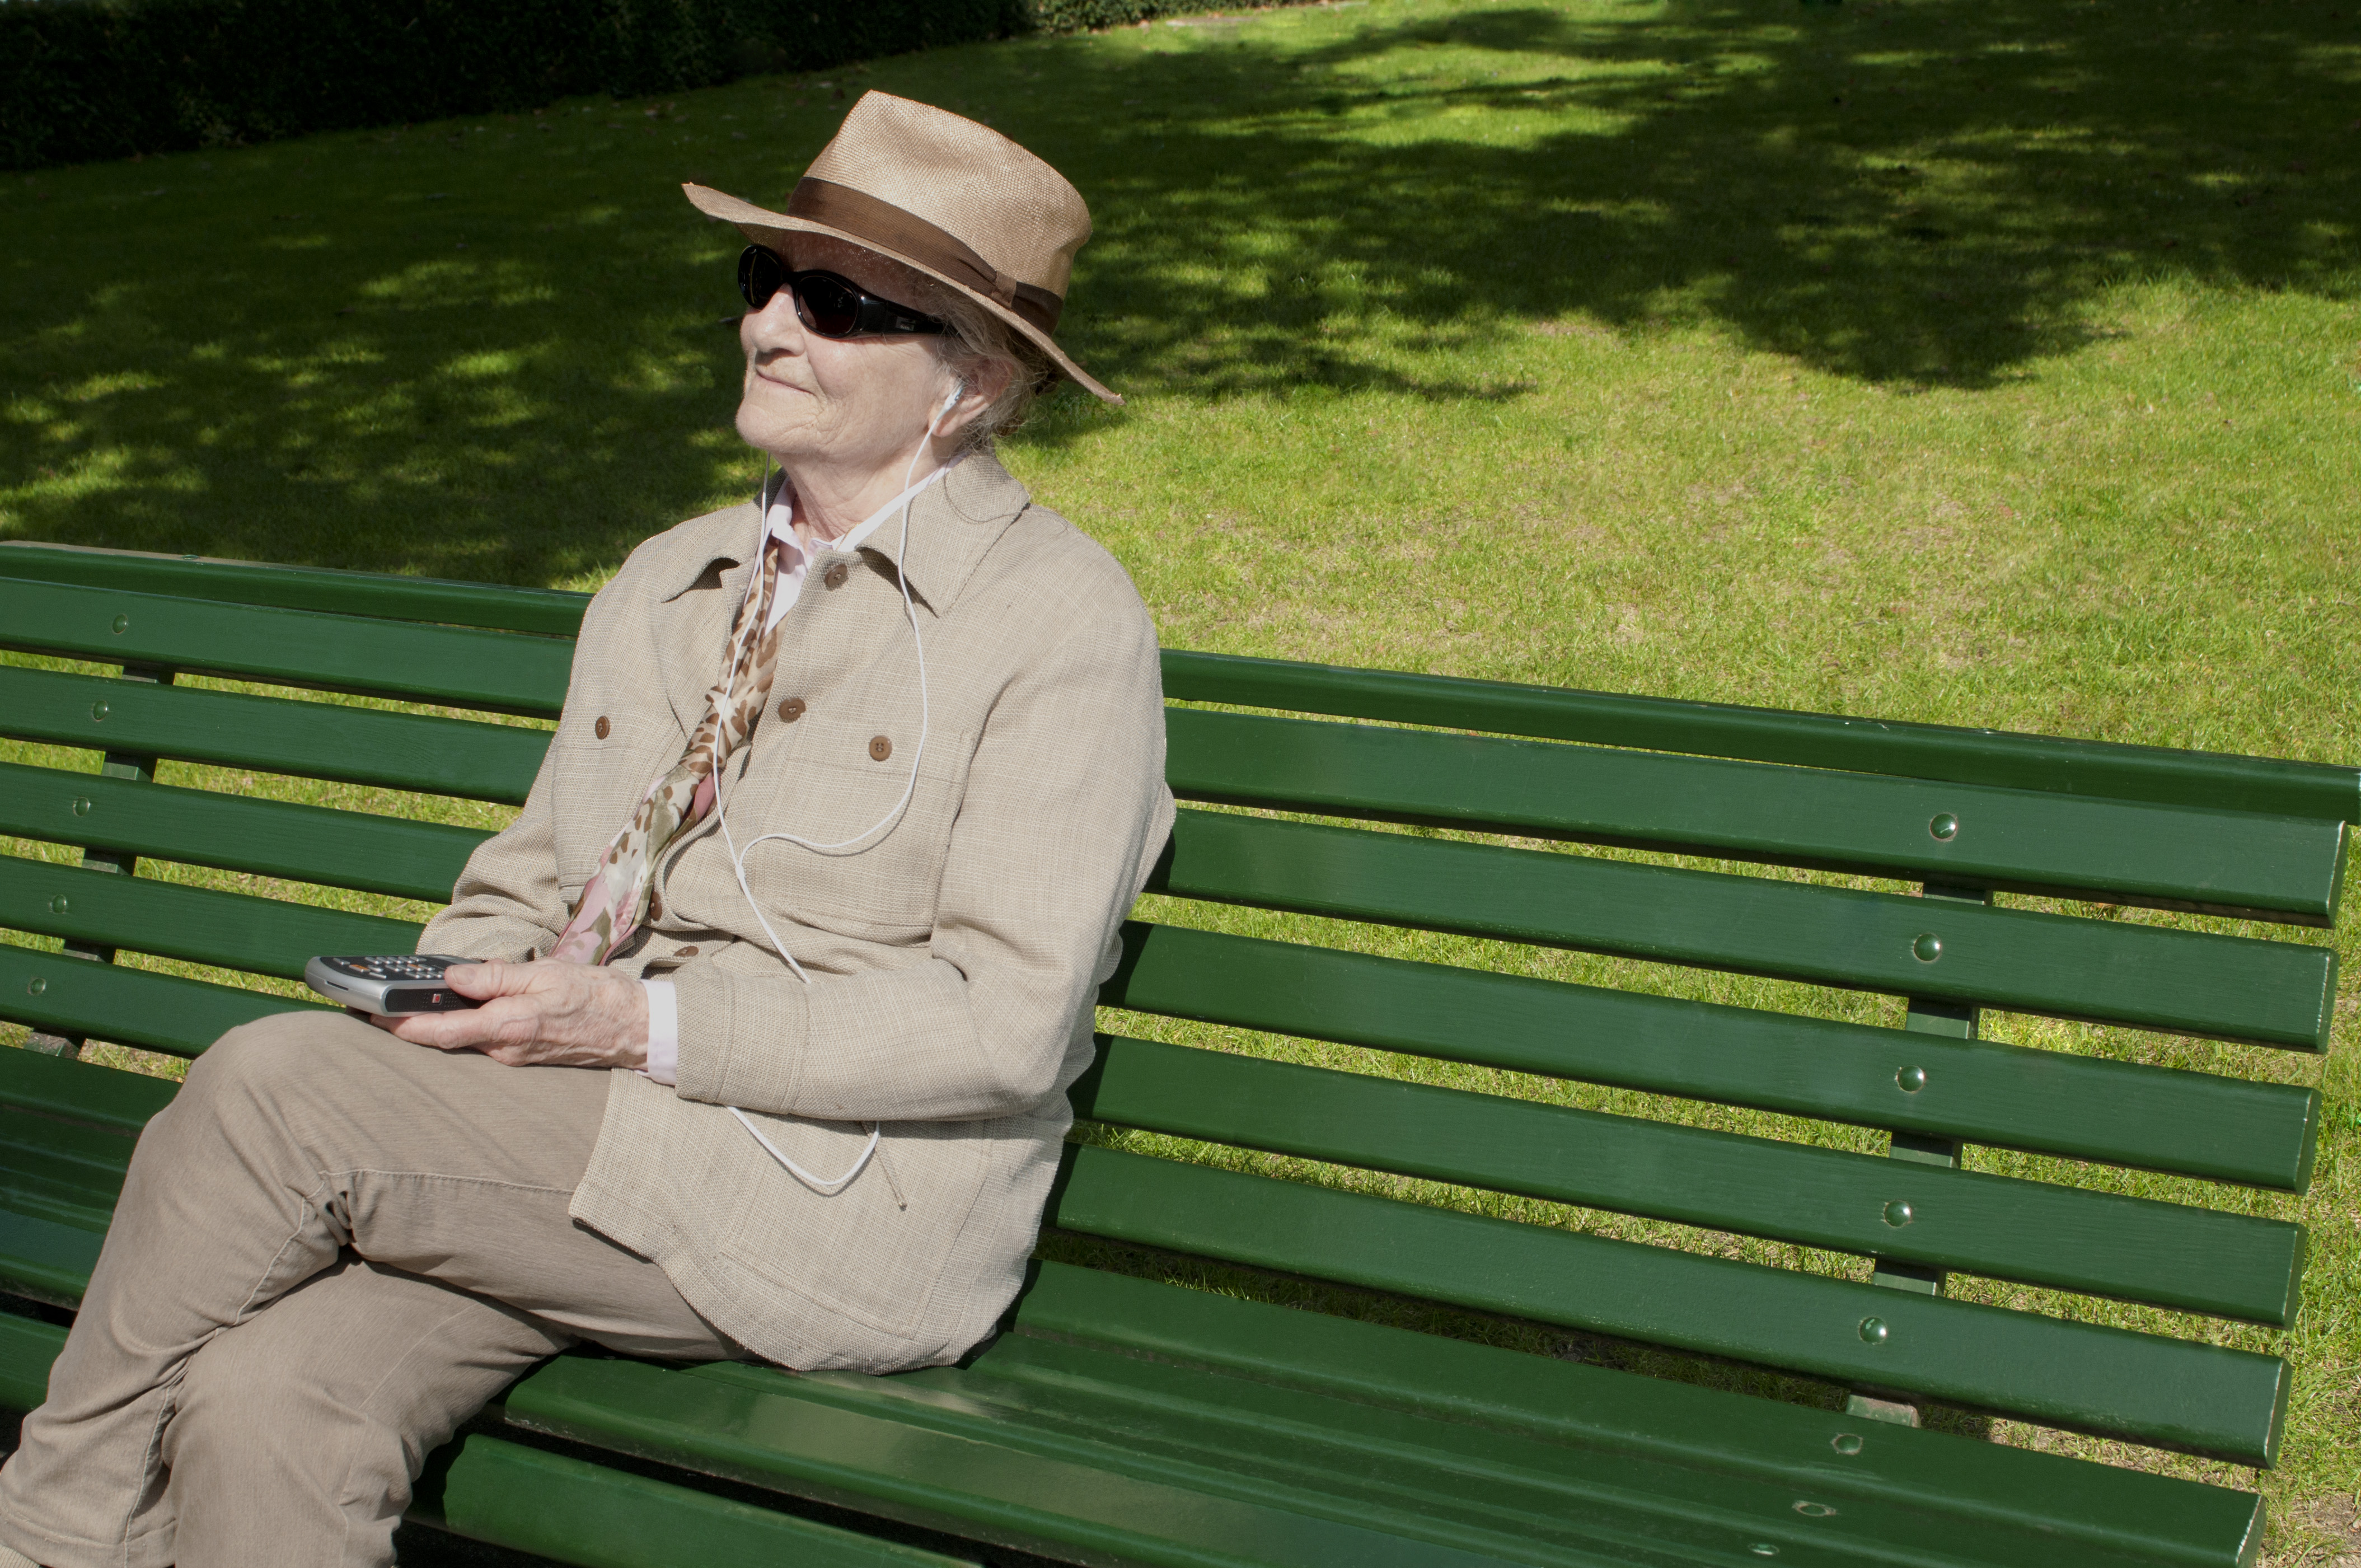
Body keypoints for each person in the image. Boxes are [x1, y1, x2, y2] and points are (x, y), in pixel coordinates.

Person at [0, 92, 1172, 1568]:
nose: (769, 326)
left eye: (840, 302)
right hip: (575, 1158)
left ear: (977, 381)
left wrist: (629, 1024)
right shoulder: (670, 575)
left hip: (836, 1208)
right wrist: (460, 1008)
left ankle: (46, 1535)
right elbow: (533, 879)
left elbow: (1002, 1029)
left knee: (273, 1092)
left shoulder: (1055, 623)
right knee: (267, 1399)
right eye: (762, 281)